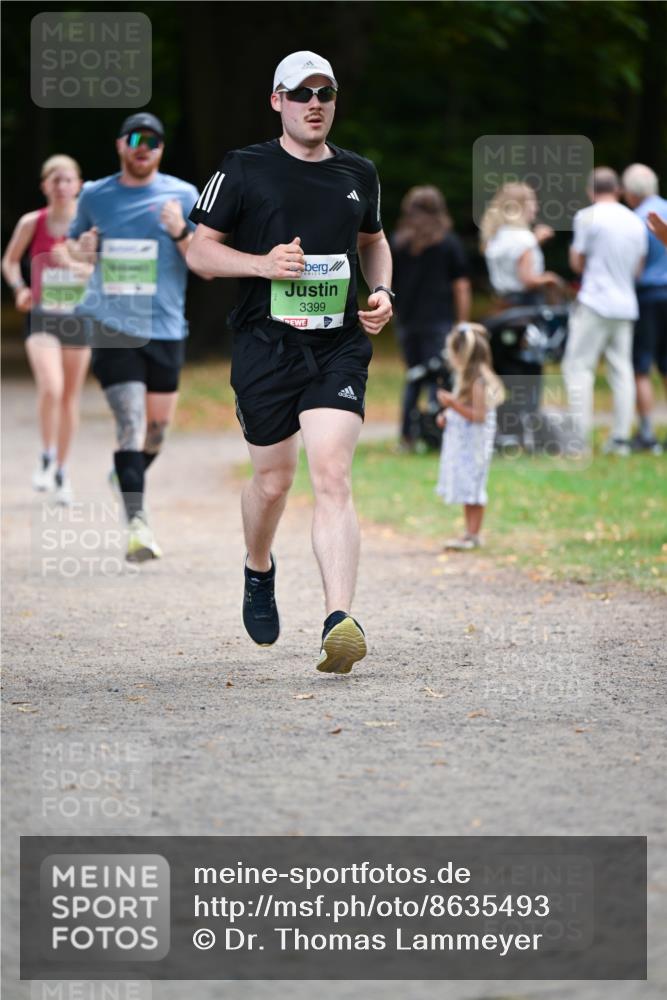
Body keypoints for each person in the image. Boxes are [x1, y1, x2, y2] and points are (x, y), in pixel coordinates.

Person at [187, 50, 393, 674]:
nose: (314, 104)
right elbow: (199, 252)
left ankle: (339, 621)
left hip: (337, 345)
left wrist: (383, 291)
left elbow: (374, 241)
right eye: (301, 93)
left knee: (332, 474)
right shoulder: (243, 168)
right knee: (274, 482)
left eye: (325, 93)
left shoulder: (358, 172)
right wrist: (261, 264)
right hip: (264, 345)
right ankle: (258, 567)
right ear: (277, 100)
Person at [66, 113, 201, 561]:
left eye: (155, 141)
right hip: (112, 324)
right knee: (132, 423)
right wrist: (82, 250)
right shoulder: (95, 195)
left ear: (161, 150)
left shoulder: (183, 195)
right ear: (121, 144)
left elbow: (203, 261)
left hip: (165, 326)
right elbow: (73, 245)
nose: (145, 146)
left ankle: (126, 475)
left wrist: (179, 230)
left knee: (156, 433)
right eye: (137, 138)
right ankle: (138, 524)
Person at [2, 154, 90, 504]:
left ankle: (62, 471)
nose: (62, 186)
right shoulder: (32, 222)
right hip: (42, 316)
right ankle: (46, 454)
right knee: (51, 387)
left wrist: (73, 265)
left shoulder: (89, 225)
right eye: (56, 180)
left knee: (69, 396)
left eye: (68, 179)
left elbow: (101, 271)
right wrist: (19, 288)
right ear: (45, 186)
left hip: (78, 318)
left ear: (78, 185)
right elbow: (9, 261)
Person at [563, 167, 648, 455]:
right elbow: (638, 268)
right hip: (626, 304)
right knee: (622, 370)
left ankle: (579, 438)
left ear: (590, 190)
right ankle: (620, 438)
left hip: (595, 301)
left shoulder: (587, 217)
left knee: (578, 368)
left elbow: (577, 262)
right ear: (618, 190)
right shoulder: (635, 220)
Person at [391, 185, 471, 449]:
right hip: (439, 320)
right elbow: (461, 285)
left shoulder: (398, 243)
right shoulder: (448, 243)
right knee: (440, 377)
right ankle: (438, 433)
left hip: (407, 321)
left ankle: (407, 436)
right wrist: (462, 322)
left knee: (413, 377)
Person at [435, 323, 504, 550]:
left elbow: (479, 416)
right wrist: (447, 415)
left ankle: (474, 535)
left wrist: (452, 404)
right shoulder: (466, 379)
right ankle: (469, 533)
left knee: (474, 490)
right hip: (466, 448)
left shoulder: (479, 383)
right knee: (467, 489)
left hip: (475, 449)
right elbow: (465, 410)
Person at [621, 163, 667, 452]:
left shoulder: (635, 219)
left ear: (631, 192)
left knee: (641, 366)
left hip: (647, 296)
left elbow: (633, 265)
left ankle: (647, 433)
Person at [480, 181, 563, 306]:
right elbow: (528, 281)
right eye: (533, 202)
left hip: (504, 302)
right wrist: (550, 278)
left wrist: (534, 241)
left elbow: (512, 260)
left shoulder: (496, 236)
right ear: (521, 205)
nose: (536, 208)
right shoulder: (524, 238)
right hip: (527, 303)